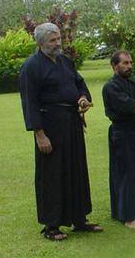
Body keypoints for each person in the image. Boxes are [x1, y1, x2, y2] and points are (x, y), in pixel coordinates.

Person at [18, 22, 101, 241]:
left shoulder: (66, 61)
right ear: (40, 43)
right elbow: (30, 102)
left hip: (71, 123)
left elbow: (80, 84)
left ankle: (79, 218)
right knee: (52, 174)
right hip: (50, 125)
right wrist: (39, 134)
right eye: (52, 40)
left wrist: (83, 98)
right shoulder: (31, 66)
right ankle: (52, 225)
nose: (58, 44)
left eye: (59, 39)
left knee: (76, 169)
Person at [102, 50, 135, 229]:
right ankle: (127, 216)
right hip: (122, 133)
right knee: (127, 173)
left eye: (130, 63)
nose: (129, 66)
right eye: (125, 63)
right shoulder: (110, 87)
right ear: (115, 65)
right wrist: (134, 105)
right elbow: (126, 107)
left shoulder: (134, 84)